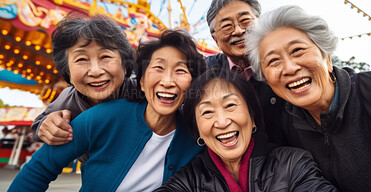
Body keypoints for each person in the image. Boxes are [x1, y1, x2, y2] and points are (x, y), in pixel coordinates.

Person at [8, 30, 206, 192]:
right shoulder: (100, 117)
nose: (168, 81)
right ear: (142, 82)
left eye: (181, 71)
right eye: (158, 68)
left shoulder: (198, 132)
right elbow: (39, 170)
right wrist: (44, 124)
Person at [246, 5, 371, 191]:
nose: (290, 68)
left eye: (297, 51)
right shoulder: (286, 127)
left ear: (327, 58)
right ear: (267, 81)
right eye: (273, 61)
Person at [155, 69, 337, 192]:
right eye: (207, 112)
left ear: (252, 117)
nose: (222, 121)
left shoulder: (292, 164)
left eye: (230, 105)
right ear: (198, 130)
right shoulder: (190, 180)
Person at [31, 13, 138, 147]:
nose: (95, 71)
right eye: (81, 59)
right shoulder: (67, 101)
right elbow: (37, 127)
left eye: (105, 57)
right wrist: (47, 127)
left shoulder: (141, 89)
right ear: (67, 71)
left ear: (125, 65)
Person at [205, 0, 286, 145]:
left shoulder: (284, 64)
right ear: (215, 40)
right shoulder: (202, 72)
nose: (239, 30)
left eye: (246, 21)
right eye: (227, 26)